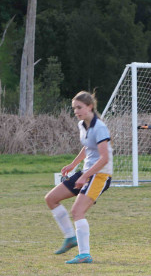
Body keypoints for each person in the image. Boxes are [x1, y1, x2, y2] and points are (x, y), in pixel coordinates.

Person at [45, 91, 112, 264]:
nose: (76, 111)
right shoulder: (82, 125)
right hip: (86, 172)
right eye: (74, 108)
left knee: (77, 211)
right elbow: (87, 147)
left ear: (90, 106)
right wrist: (74, 165)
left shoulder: (100, 127)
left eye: (79, 107)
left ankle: (84, 254)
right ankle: (70, 238)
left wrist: (85, 177)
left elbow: (104, 158)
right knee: (51, 198)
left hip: (100, 175)